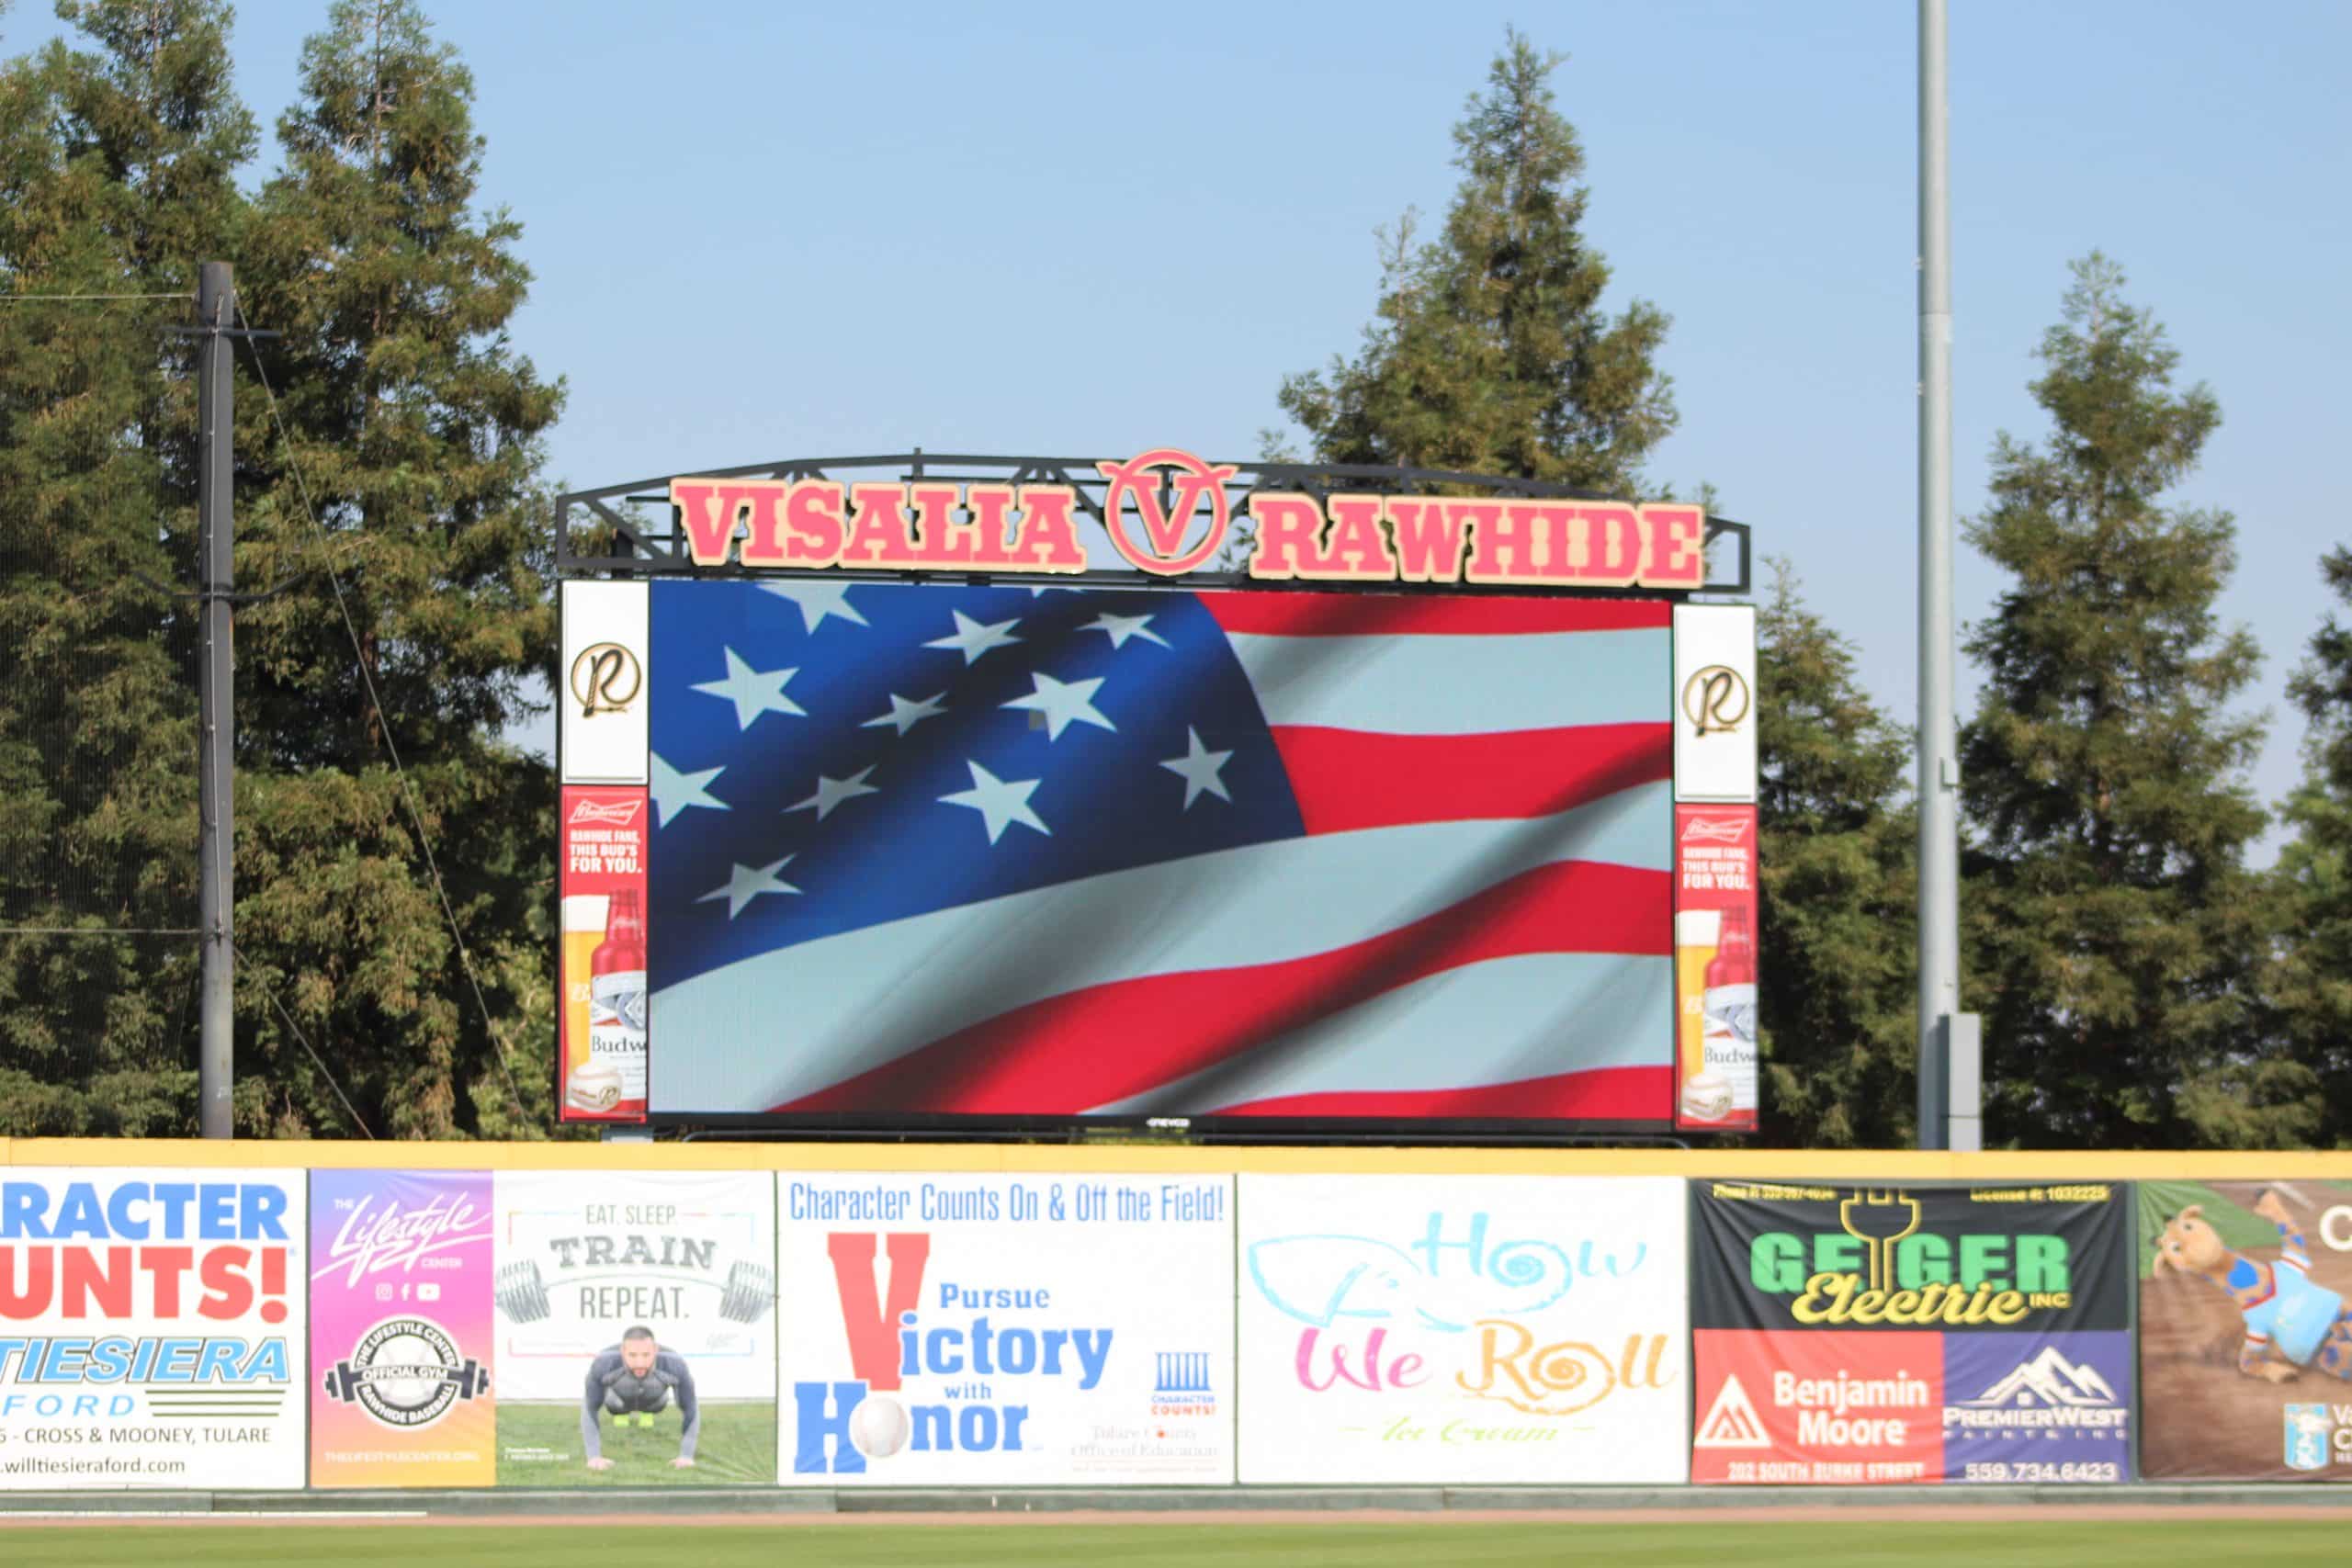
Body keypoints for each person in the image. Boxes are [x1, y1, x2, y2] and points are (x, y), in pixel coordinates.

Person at [2154, 1190, 2352, 1382]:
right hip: (2318, 1344)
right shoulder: (2259, 1311)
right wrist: (2268, 1369)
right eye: (2178, 1249)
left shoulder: (2284, 1273)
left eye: (2188, 1228)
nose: (2192, 1242)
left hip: (2338, 1314)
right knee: (2343, 1356)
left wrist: (2276, 1211)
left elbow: (2295, 1240)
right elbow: (2249, 1361)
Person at [582, 1325, 699, 1470]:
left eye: (646, 1355)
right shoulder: (604, 1361)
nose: (640, 1362)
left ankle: (645, 1413)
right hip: (617, 1404)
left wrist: (686, 1455)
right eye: (632, 1355)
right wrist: (594, 1456)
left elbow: (691, 1408)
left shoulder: (674, 1362)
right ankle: (624, 1413)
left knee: (660, 1397)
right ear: (623, 1351)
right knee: (612, 1402)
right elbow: (589, 1408)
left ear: (655, 1350)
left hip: (656, 1403)